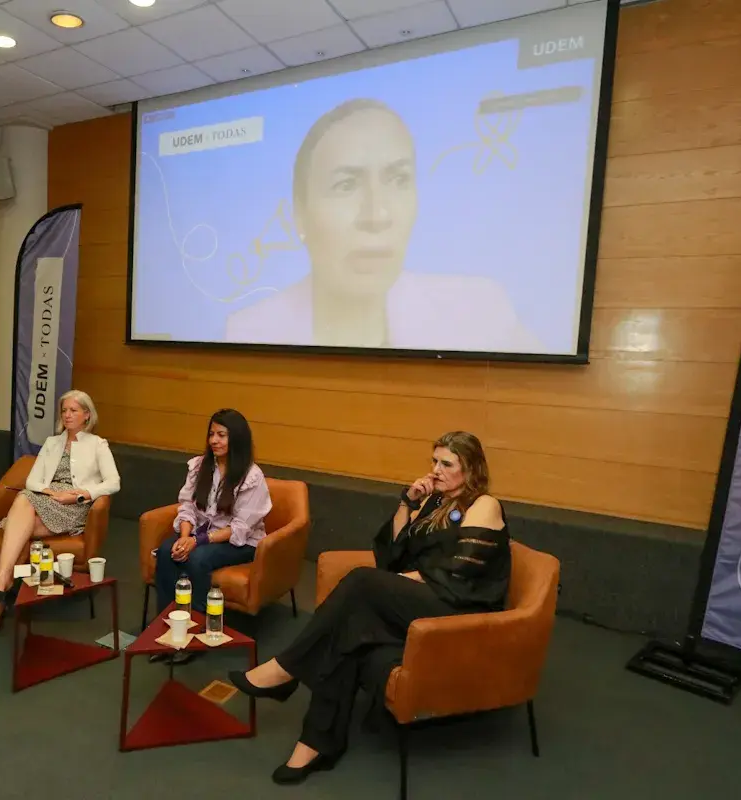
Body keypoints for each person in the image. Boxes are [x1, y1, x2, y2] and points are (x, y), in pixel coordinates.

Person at [228, 431, 511, 786]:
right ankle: (314, 744)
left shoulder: (484, 504)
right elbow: (392, 555)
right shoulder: (435, 502)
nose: (436, 470)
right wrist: (407, 503)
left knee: (363, 582)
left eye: (447, 464)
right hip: (425, 598)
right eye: (434, 461)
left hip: (459, 610)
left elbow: (459, 572)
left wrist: (402, 581)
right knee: (351, 631)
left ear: (470, 469)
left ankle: (286, 669)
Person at [225, 99, 540, 351]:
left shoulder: (480, 313)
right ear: (300, 213)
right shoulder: (250, 331)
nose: (377, 216)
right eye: (346, 185)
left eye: (399, 179)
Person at [0, 389, 120, 647]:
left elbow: (113, 482)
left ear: (86, 415)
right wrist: (49, 492)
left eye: (73, 410)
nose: (67, 415)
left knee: (21, 512)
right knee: (25, 498)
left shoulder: (98, 444)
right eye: (64, 410)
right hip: (46, 499)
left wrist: (81, 495)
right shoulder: (52, 443)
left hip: (74, 505)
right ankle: (1, 584)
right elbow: (33, 481)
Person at [152, 408, 271, 661]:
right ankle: (168, 628)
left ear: (236, 438)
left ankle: (196, 634)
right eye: (211, 434)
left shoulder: (251, 476)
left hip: (240, 542)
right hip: (201, 534)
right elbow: (187, 507)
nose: (214, 440)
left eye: (221, 435)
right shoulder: (200, 466)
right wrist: (185, 537)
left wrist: (197, 542)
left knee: (197, 559)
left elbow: (240, 527)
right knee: (165, 551)